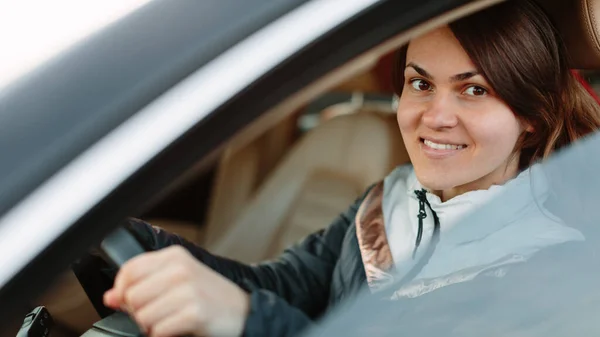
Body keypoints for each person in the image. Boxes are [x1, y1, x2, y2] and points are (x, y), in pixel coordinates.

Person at [100, 1, 600, 336]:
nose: (435, 116)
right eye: (420, 84)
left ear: (530, 122)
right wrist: (140, 241)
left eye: (475, 90)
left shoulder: (554, 269)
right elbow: (282, 286)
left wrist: (246, 319)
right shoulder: (391, 201)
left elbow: (255, 308)